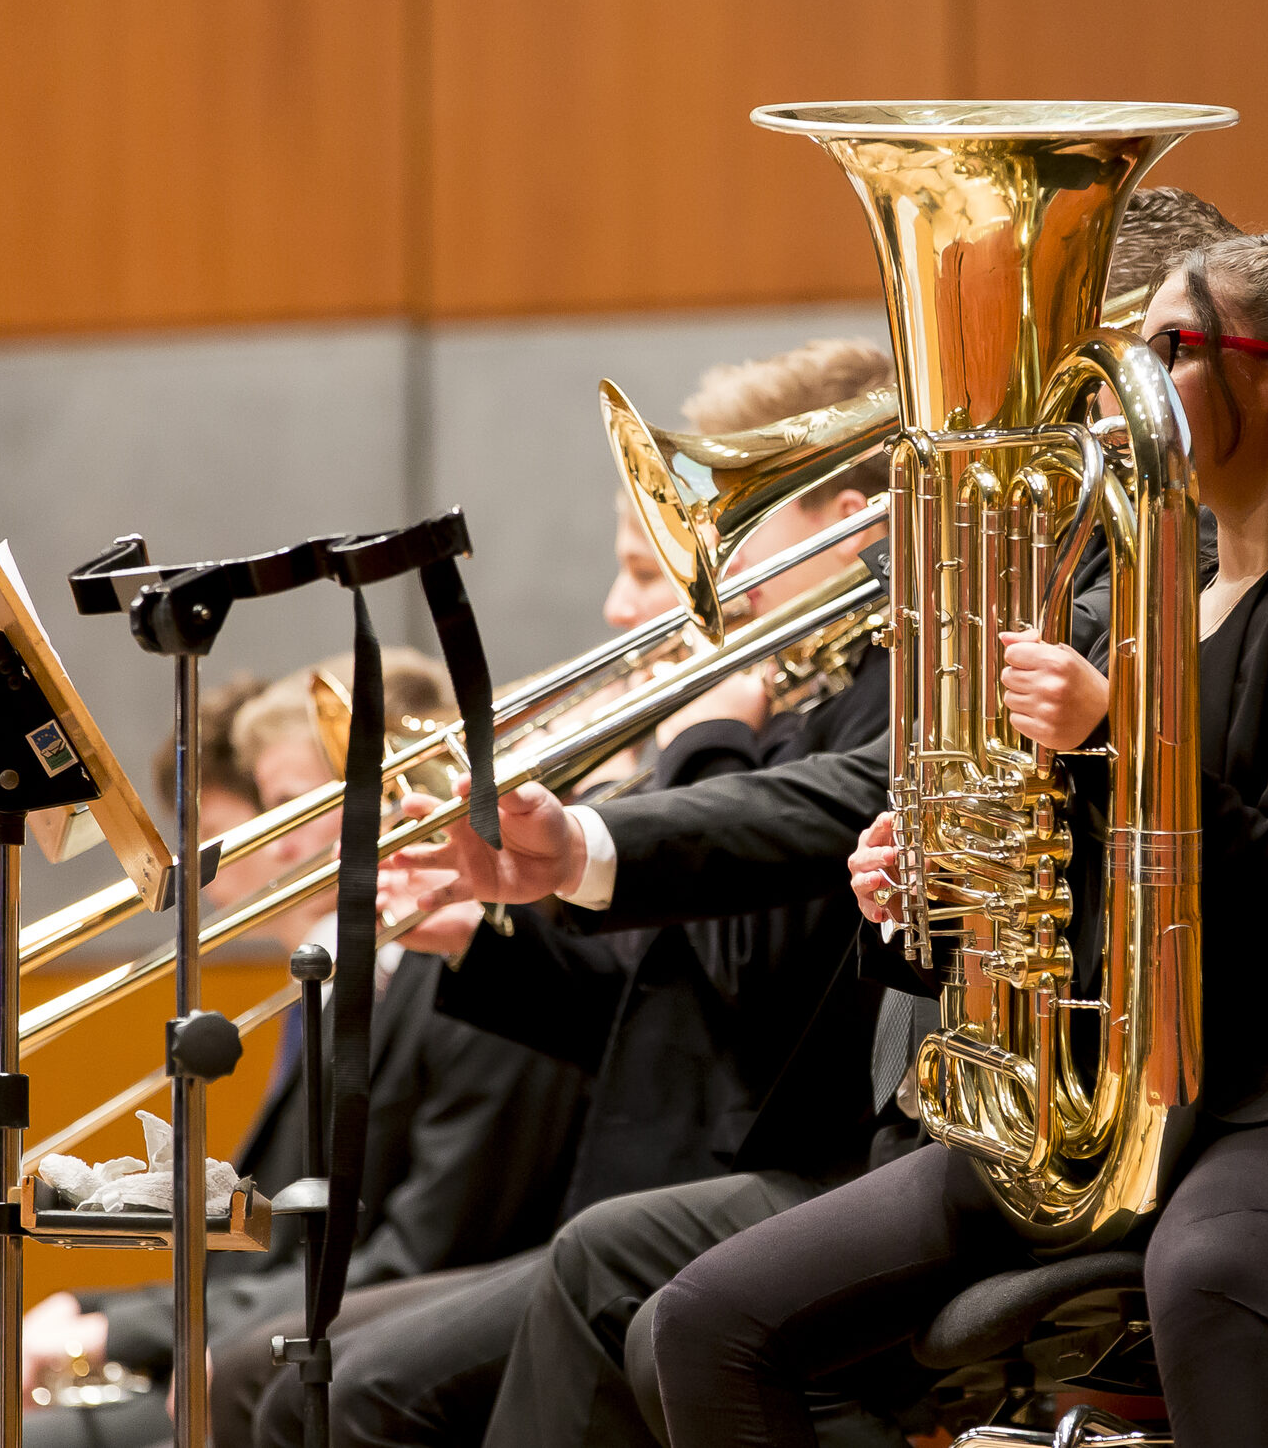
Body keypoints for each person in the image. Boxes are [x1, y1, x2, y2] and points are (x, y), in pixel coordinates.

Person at [403, 227, 1268, 1448]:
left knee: (1212, 1278)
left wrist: (1113, 742)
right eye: (1128, 352)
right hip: (1100, 1107)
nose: (1125, 385)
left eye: (1169, 351)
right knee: (702, 1320)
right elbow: (1050, 896)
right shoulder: (1129, 610)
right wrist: (918, 900)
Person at [208, 338, 901, 1448]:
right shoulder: (794, 702)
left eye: (707, 541)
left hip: (764, 1193)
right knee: (286, 1372)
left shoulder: (871, 709)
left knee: (344, 1389)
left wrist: (706, 737)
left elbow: (752, 968)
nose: (659, 600)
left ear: (843, 528)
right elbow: (645, 1010)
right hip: (654, 1186)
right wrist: (479, 946)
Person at [0, 659, 587, 1448]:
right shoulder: (375, 983)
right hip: (287, 1352)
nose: (267, 847)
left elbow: (422, 1253)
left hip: (370, 1370)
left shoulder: (485, 979)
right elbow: (278, 1240)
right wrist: (115, 1318)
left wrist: (141, 1336)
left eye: (284, 808)